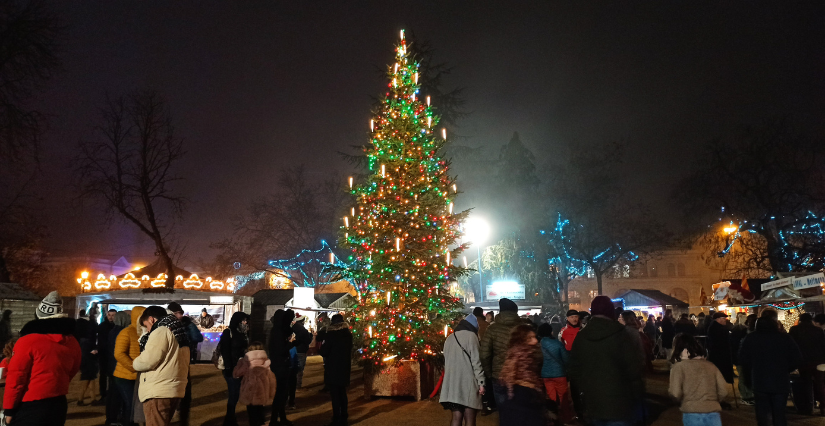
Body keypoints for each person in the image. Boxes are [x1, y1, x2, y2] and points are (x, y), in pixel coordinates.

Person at [2, 291, 82, 426]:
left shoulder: (27, 341)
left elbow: (16, 379)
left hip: (30, 405)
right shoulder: (72, 341)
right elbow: (73, 369)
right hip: (58, 403)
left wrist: (9, 410)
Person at [569, 296, 645, 426]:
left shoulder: (581, 336)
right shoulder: (621, 334)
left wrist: (585, 389)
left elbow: (574, 369)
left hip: (594, 402)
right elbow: (633, 368)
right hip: (621, 400)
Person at [132, 306, 191, 426]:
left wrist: (135, 363)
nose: (148, 330)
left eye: (146, 326)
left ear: (151, 320)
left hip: (158, 390)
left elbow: (147, 361)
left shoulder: (161, 331)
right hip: (173, 388)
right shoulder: (178, 332)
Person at [740, 315, 802, 426]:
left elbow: (743, 359)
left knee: (762, 414)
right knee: (779, 414)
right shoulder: (784, 338)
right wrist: (787, 369)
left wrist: (748, 376)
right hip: (780, 380)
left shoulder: (751, 338)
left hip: (759, 380)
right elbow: (797, 358)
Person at [668, 333, 728, 426]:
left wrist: (683, 401)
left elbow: (675, 393)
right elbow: (723, 390)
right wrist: (713, 401)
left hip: (692, 412)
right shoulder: (710, 366)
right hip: (713, 412)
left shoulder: (679, 367)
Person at [440, 314, 486, 426]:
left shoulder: (450, 338)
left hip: (452, 384)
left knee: (456, 417)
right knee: (470, 419)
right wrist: (481, 382)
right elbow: (476, 362)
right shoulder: (472, 337)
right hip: (468, 383)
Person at [497, 324, 544, 426]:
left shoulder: (514, 354)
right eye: (530, 338)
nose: (535, 341)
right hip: (523, 397)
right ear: (521, 340)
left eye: (534, 337)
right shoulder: (525, 355)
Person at [480, 298, 521, 411]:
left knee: (503, 410)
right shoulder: (524, 327)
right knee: (519, 409)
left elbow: (484, 355)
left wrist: (490, 374)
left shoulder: (492, 329)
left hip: (499, 375)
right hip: (520, 375)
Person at [167, 302, 201, 426]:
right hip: (169, 364)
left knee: (186, 394)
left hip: (183, 362)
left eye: (180, 313)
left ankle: (183, 420)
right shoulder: (164, 326)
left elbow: (198, 337)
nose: (179, 316)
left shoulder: (187, 324)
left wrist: (189, 326)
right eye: (176, 313)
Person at [113, 307, 145, 426]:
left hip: (138, 375)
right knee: (130, 404)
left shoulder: (144, 332)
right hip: (124, 376)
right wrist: (133, 366)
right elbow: (119, 353)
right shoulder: (126, 332)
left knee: (135, 404)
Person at [788, 313, 825, 415]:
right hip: (818, 361)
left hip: (803, 361)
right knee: (820, 384)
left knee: (806, 384)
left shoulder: (794, 330)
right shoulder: (818, 330)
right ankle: (823, 407)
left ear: (800, 320)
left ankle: (809, 407)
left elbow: (792, 346)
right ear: (811, 320)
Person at [319, 314, 353, 426]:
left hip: (333, 367)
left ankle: (336, 418)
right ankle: (344, 417)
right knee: (342, 393)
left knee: (335, 394)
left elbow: (324, 351)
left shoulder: (331, 335)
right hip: (344, 367)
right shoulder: (348, 335)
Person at [233, 342, 277, 426]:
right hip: (262, 390)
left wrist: (238, 365)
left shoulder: (245, 362)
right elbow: (271, 379)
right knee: (260, 411)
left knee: (251, 412)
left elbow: (236, 374)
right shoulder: (267, 362)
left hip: (249, 389)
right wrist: (271, 392)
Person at [219, 311, 250, 426]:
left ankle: (230, 419)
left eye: (246, 320)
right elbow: (225, 350)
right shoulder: (229, 332)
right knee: (234, 393)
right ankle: (229, 419)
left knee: (236, 393)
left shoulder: (243, 332)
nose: (245, 322)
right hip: (231, 367)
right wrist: (228, 367)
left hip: (241, 366)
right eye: (243, 320)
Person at [538, 323, 570, 424]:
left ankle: (554, 417)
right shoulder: (557, 343)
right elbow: (566, 359)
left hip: (545, 375)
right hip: (559, 373)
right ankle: (565, 418)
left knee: (551, 397)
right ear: (551, 331)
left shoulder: (539, 344)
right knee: (563, 397)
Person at [269, 309, 296, 426]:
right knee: (281, 394)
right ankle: (274, 420)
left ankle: (280, 418)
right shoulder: (278, 332)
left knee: (282, 394)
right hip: (280, 365)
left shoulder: (276, 330)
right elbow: (281, 350)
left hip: (279, 364)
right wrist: (290, 342)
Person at [106, 311, 130, 426]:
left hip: (112, 366)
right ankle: (115, 418)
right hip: (118, 367)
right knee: (118, 395)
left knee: (113, 394)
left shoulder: (112, 331)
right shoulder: (122, 332)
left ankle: (111, 418)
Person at [75, 308, 100, 406]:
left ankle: (92, 398)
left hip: (82, 351)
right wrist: (93, 349)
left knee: (90, 375)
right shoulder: (90, 324)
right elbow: (91, 338)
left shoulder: (77, 323)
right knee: (88, 375)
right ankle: (81, 399)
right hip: (88, 351)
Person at [730, 313, 756, 406]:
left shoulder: (743, 330)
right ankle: (745, 396)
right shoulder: (740, 331)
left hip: (742, 357)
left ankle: (748, 394)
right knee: (743, 376)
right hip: (741, 358)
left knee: (745, 376)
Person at [288, 313, 313, 409]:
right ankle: (297, 386)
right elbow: (306, 340)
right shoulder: (301, 329)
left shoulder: (295, 328)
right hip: (300, 350)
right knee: (299, 368)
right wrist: (310, 336)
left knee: (296, 368)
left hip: (297, 349)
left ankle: (297, 386)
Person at [706, 312, 734, 385]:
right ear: (718, 319)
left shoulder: (715, 327)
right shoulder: (719, 329)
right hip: (720, 355)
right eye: (724, 318)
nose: (725, 320)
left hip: (718, 354)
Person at [98, 308, 117, 404]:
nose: (111, 317)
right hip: (104, 354)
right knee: (103, 375)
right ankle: (103, 394)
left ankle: (111, 394)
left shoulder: (116, 327)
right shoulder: (102, 326)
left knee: (112, 375)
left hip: (112, 354)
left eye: (113, 315)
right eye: (109, 315)